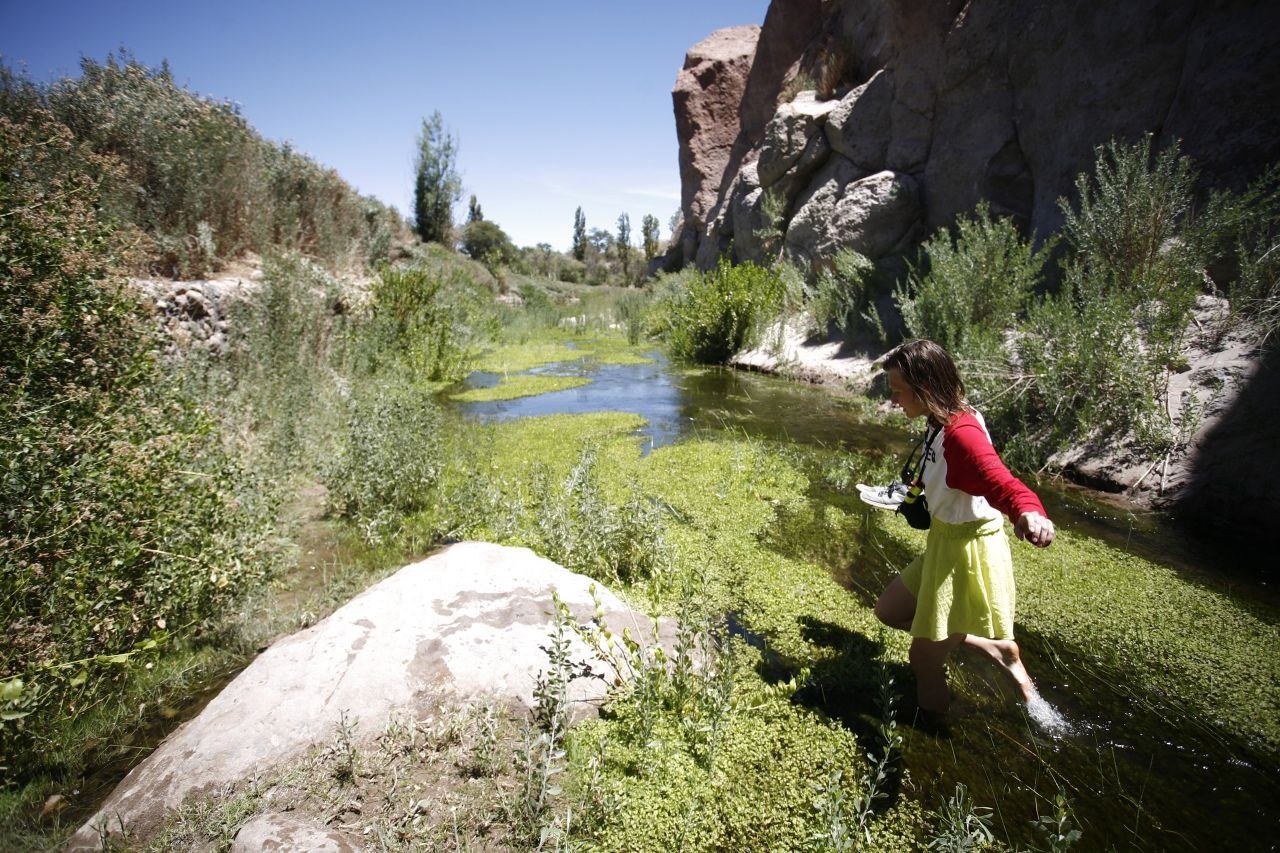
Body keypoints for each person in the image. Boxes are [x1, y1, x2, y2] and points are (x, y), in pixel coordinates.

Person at [873, 339, 1055, 718]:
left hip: (967, 553)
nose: (894, 401)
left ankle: (933, 733)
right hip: (945, 541)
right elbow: (947, 479)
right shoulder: (940, 421)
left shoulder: (963, 434)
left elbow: (1000, 481)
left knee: (922, 660)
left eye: (898, 392)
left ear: (924, 388)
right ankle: (997, 650)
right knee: (890, 611)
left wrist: (1028, 512)